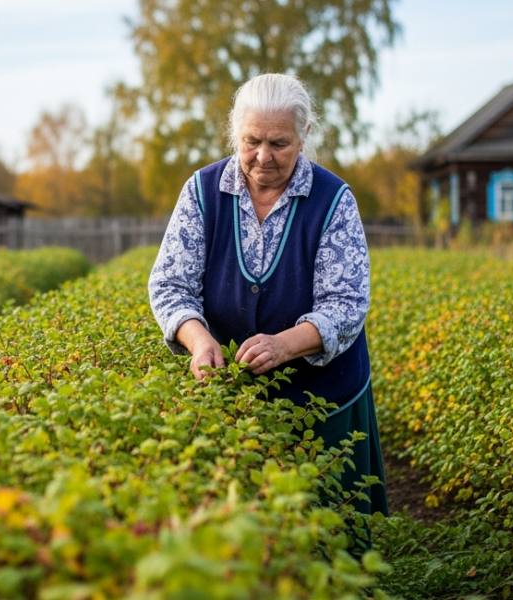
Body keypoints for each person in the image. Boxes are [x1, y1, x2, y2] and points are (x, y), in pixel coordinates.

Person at [147, 73, 387, 518]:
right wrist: (199, 341)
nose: (263, 156)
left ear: (305, 136)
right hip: (230, 399)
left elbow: (347, 303)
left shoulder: (334, 200)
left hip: (323, 402)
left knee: (326, 528)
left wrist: (284, 345)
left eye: (279, 143)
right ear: (234, 133)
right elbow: (169, 284)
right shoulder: (202, 192)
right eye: (251, 140)